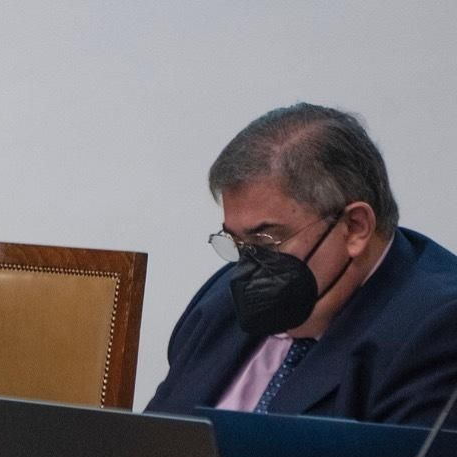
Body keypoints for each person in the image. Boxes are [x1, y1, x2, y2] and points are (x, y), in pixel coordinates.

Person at [148, 103, 457, 424]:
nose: (250, 268)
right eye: (238, 243)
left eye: (266, 241)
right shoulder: (221, 301)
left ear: (355, 227)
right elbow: (153, 444)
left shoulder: (438, 329)